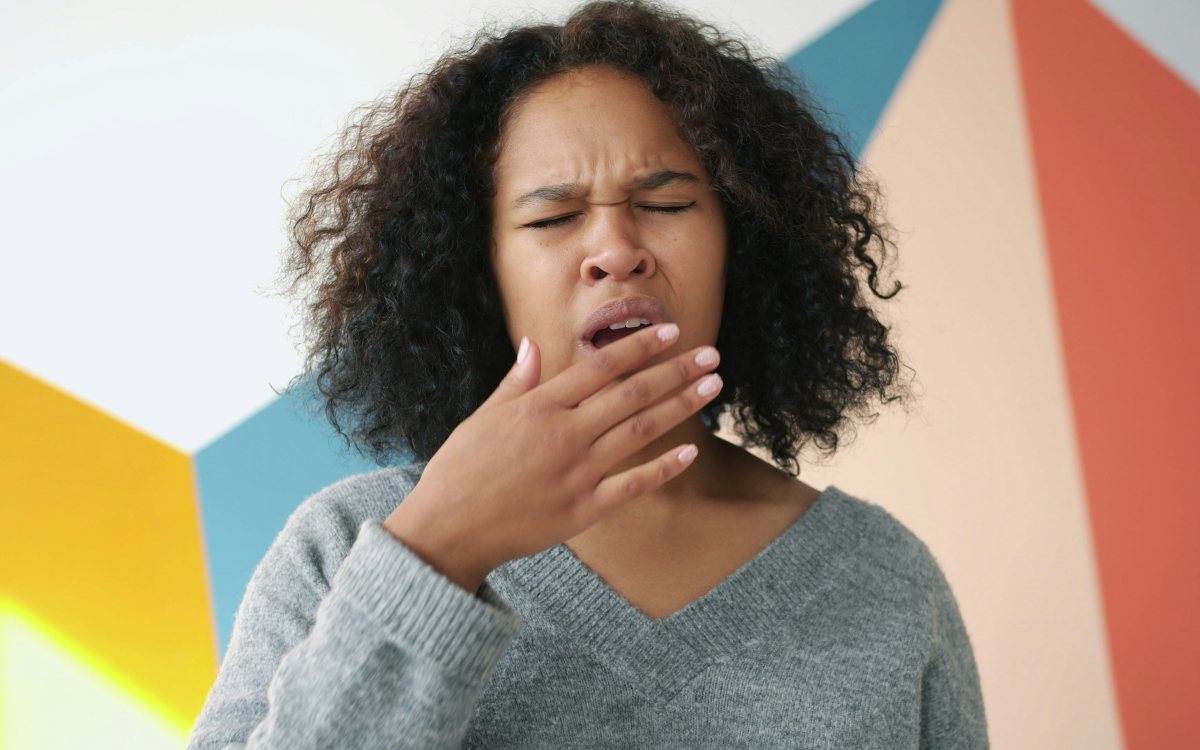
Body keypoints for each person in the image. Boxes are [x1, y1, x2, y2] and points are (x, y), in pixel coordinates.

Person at [187, 0, 988, 747]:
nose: (615, 251)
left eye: (666, 205)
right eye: (554, 217)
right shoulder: (344, 546)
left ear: (740, 244)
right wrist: (436, 554)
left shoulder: (886, 582)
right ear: (479, 271)